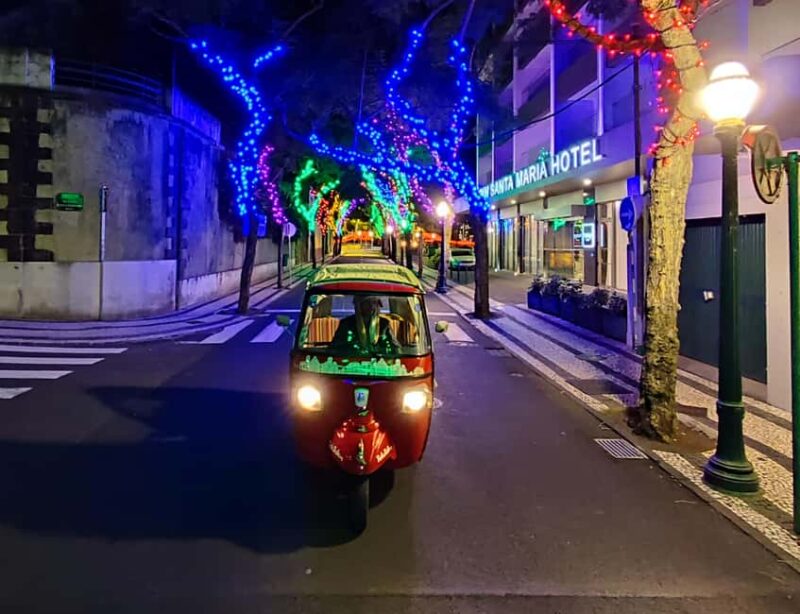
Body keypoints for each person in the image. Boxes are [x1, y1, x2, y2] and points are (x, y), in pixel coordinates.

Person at [331, 295, 399, 355]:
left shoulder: (384, 324)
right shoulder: (346, 324)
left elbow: (396, 347)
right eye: (367, 302)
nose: (371, 306)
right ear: (359, 305)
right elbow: (335, 348)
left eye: (374, 302)